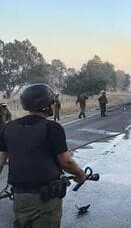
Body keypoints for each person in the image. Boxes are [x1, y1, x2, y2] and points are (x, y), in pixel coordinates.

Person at [0, 83, 86, 228]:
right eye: (52, 101)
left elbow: (0, 161)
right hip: (45, 200)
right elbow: (66, 162)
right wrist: (80, 175)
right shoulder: (52, 128)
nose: (54, 104)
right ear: (46, 104)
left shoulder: (9, 128)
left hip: (20, 198)